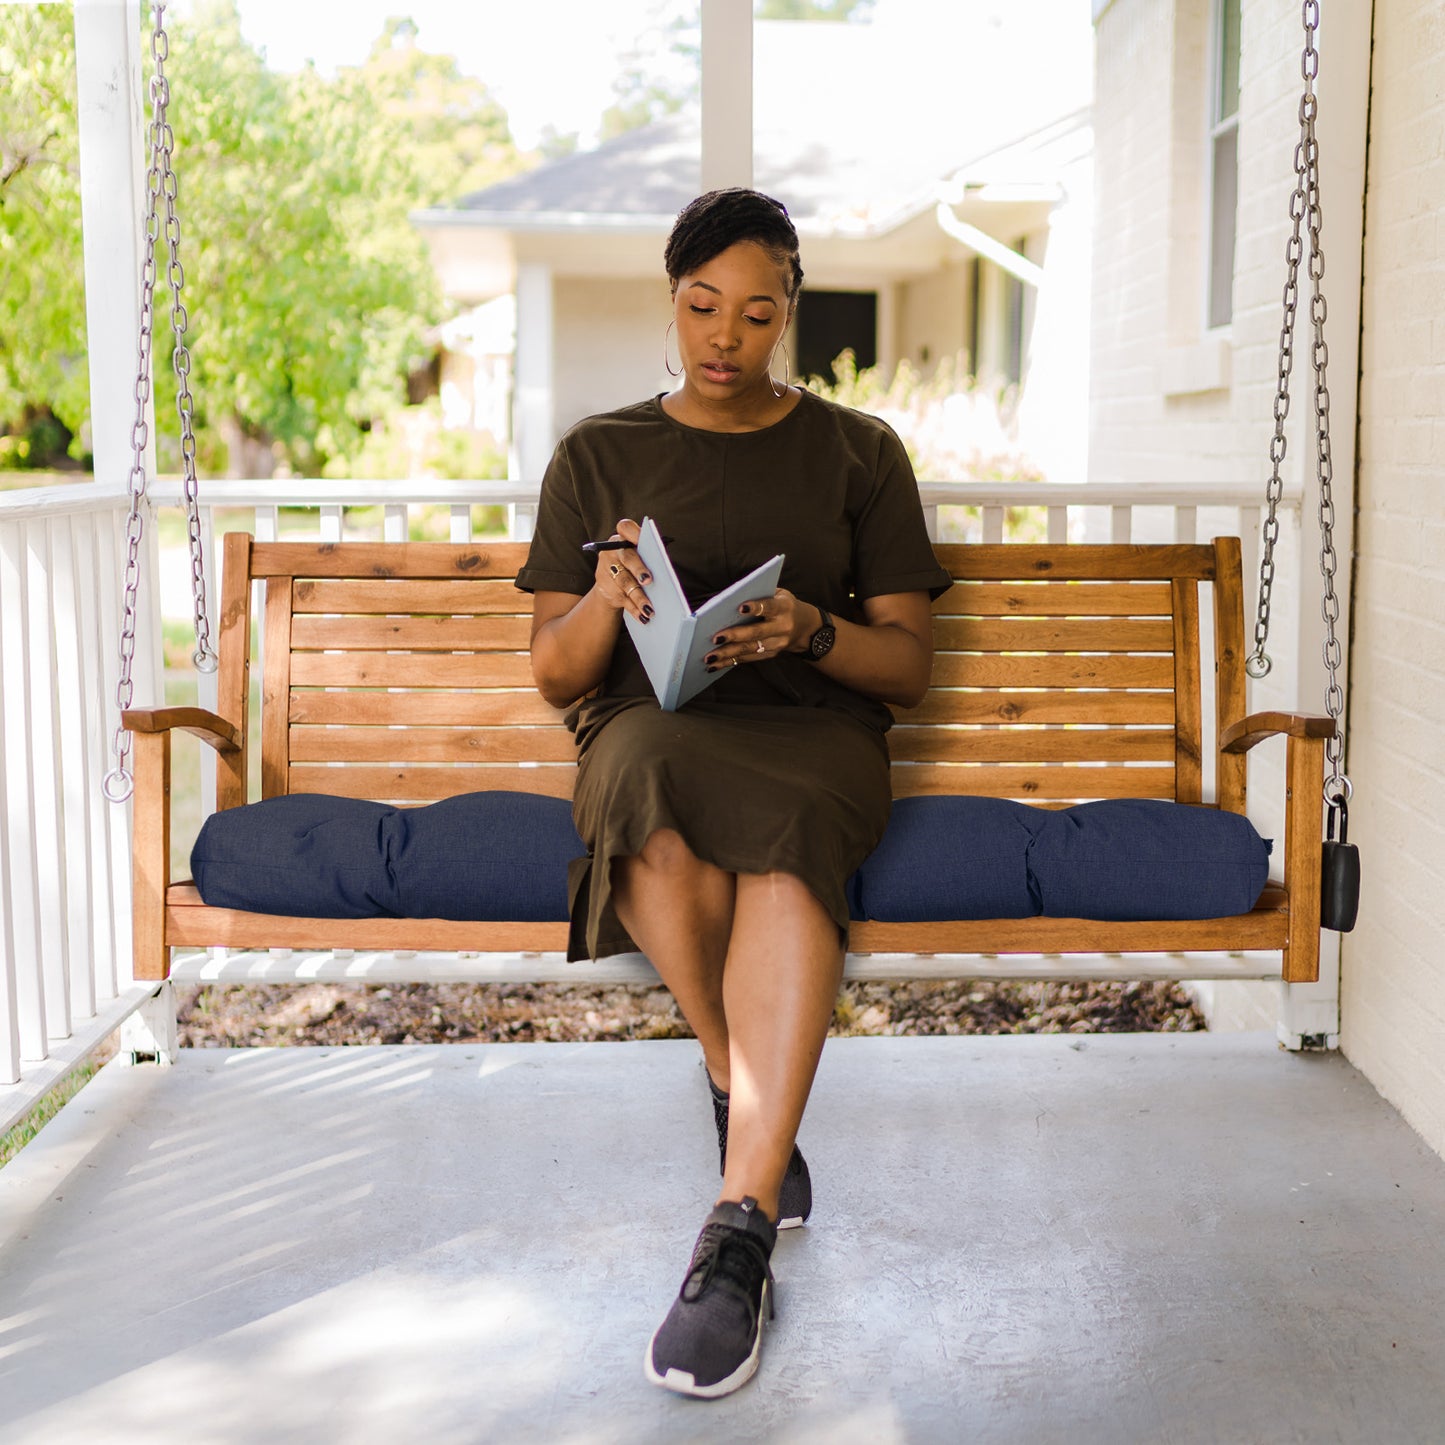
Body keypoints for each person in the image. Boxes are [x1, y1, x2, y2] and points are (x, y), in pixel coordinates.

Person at [515, 187, 951, 1398]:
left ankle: (739, 1224)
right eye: (703, 306)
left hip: (810, 733)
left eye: (755, 314)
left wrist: (812, 630)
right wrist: (606, 597)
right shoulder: (598, 451)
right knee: (639, 782)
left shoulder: (857, 451)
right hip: (647, 721)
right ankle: (742, 1083)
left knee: (792, 834)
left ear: (788, 316)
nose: (724, 337)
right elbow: (556, 671)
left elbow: (905, 669)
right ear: (673, 300)